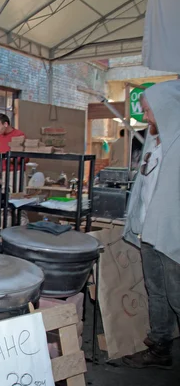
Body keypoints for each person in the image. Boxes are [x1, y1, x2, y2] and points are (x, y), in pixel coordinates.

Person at [122, 80, 180, 369]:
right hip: (149, 232)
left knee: (177, 296)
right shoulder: (154, 140)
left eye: (148, 111)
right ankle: (160, 349)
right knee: (155, 291)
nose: (145, 118)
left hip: (172, 236)